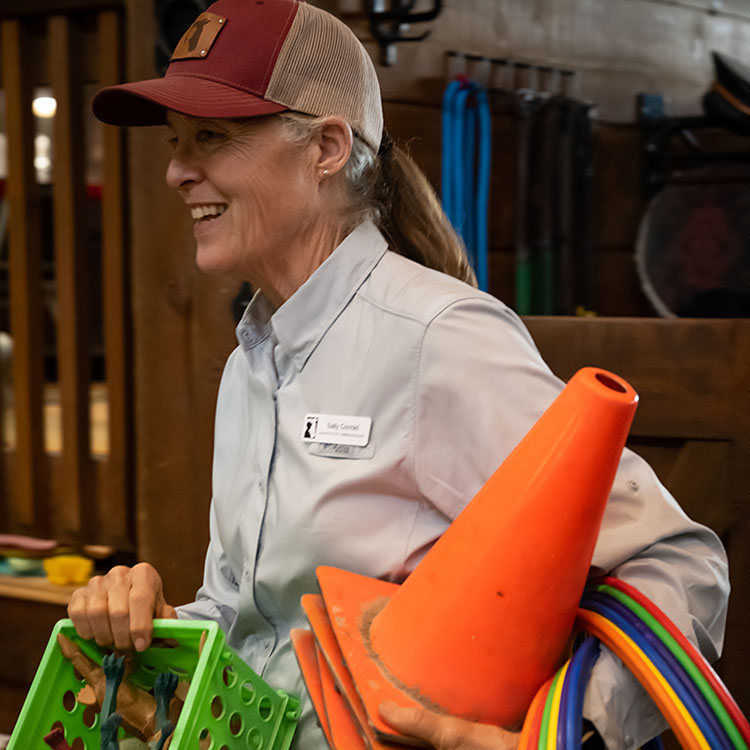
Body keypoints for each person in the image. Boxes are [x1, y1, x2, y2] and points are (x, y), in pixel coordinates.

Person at [68, 1, 730, 748]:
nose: (176, 171)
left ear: (325, 147)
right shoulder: (253, 358)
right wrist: (147, 630)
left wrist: (575, 734)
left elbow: (679, 561)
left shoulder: (437, 339)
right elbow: (250, 624)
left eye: (212, 138)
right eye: (177, 141)